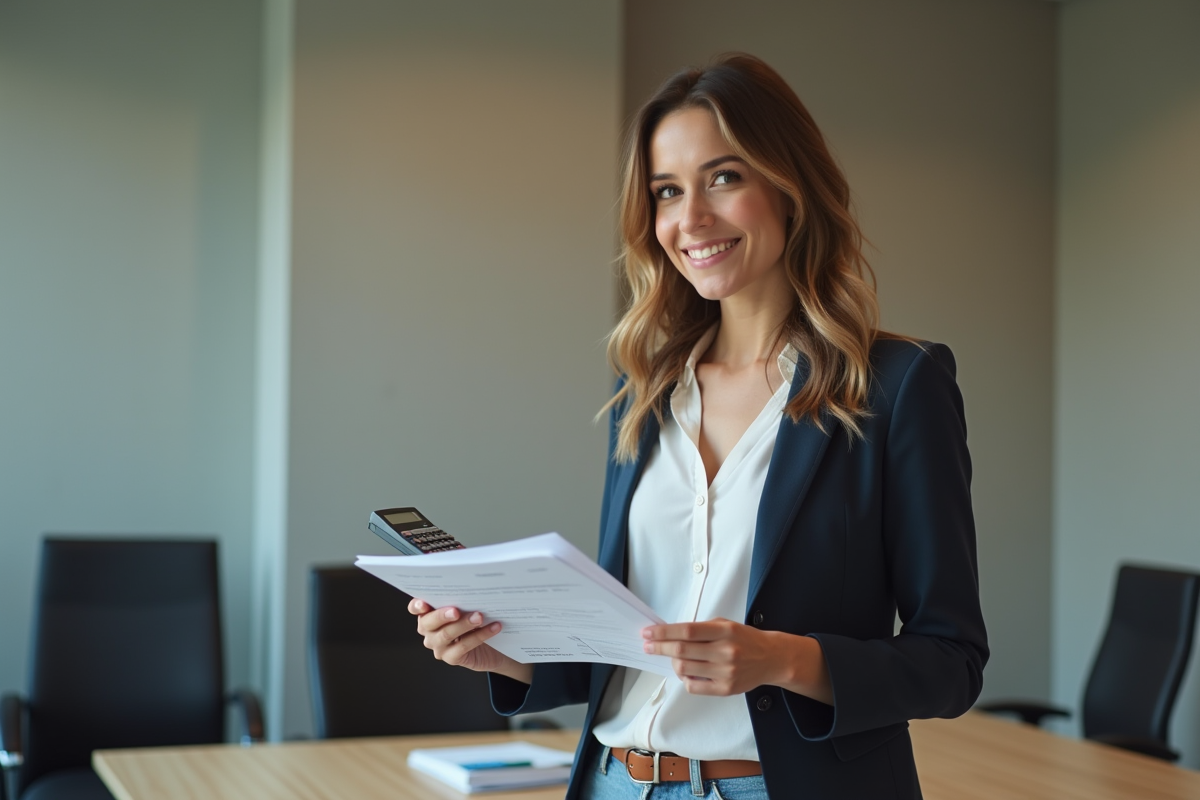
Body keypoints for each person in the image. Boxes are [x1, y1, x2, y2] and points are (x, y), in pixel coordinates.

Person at [408, 52, 988, 800]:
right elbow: (635, 645)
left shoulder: (898, 385)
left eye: (725, 177)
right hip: (617, 782)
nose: (692, 219)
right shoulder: (646, 389)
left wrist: (785, 658)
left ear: (788, 184)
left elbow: (952, 661)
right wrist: (506, 657)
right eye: (667, 192)